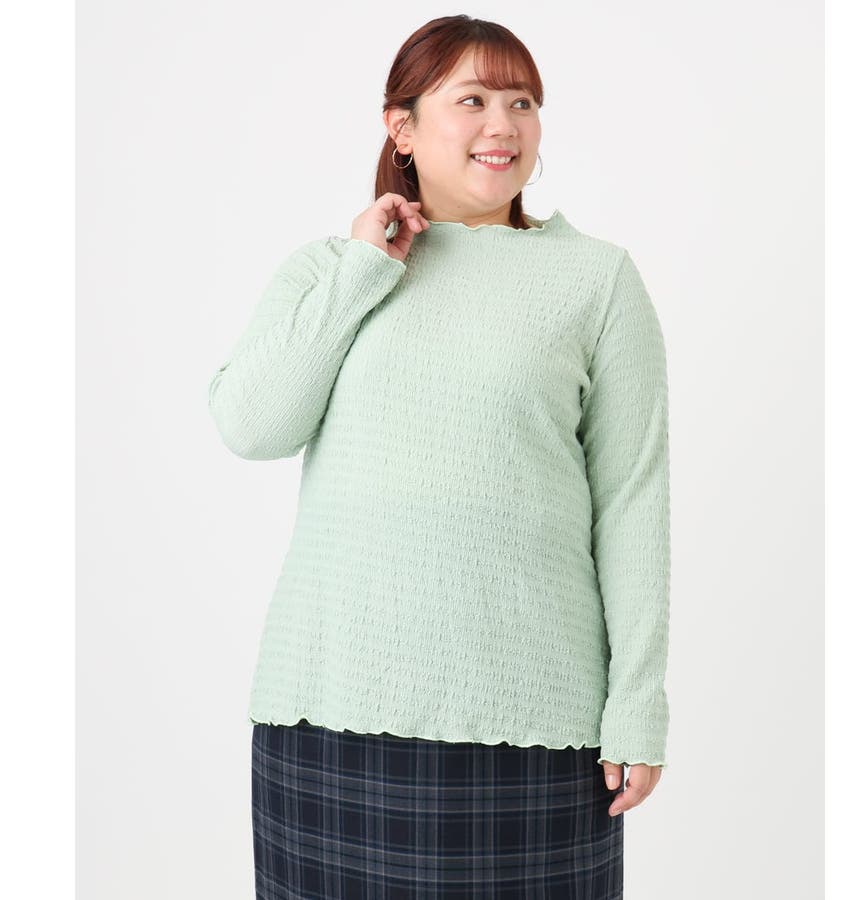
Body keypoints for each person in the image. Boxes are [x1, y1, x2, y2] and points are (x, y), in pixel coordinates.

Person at [208, 14, 671, 899]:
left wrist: (638, 706)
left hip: (531, 725)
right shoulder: (328, 271)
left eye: (522, 102)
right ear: (403, 128)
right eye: (473, 100)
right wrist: (364, 267)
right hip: (328, 711)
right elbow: (251, 425)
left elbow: (633, 500)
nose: (503, 125)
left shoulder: (598, 280)